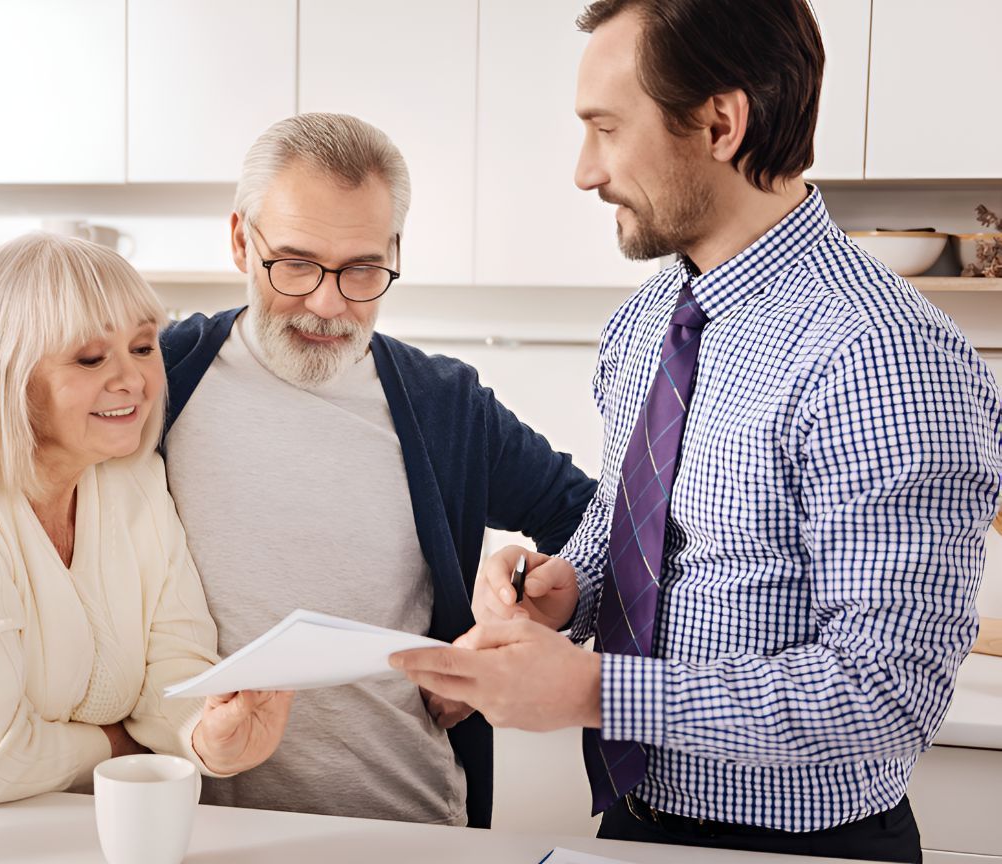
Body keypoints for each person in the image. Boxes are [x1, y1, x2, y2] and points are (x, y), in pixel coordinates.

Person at [0, 113, 598, 827]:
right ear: (241, 240)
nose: (328, 303)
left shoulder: (447, 406)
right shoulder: (163, 374)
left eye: (363, 269)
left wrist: (515, 618)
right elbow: (30, 382)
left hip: (406, 823)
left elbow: (597, 524)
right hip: (203, 828)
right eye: (297, 264)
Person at [390, 1, 1002, 861]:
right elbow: (634, 525)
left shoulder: (883, 357)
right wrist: (570, 584)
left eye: (606, 128)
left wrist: (598, 690)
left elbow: (887, 690)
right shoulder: (647, 321)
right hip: (636, 821)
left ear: (721, 122)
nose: (583, 171)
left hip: (806, 847)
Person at [0, 233, 293, 807]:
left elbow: (174, 662)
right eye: (90, 358)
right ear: (8, 374)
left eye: (144, 347)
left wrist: (206, 736)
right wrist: (123, 745)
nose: (132, 379)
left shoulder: (133, 480)